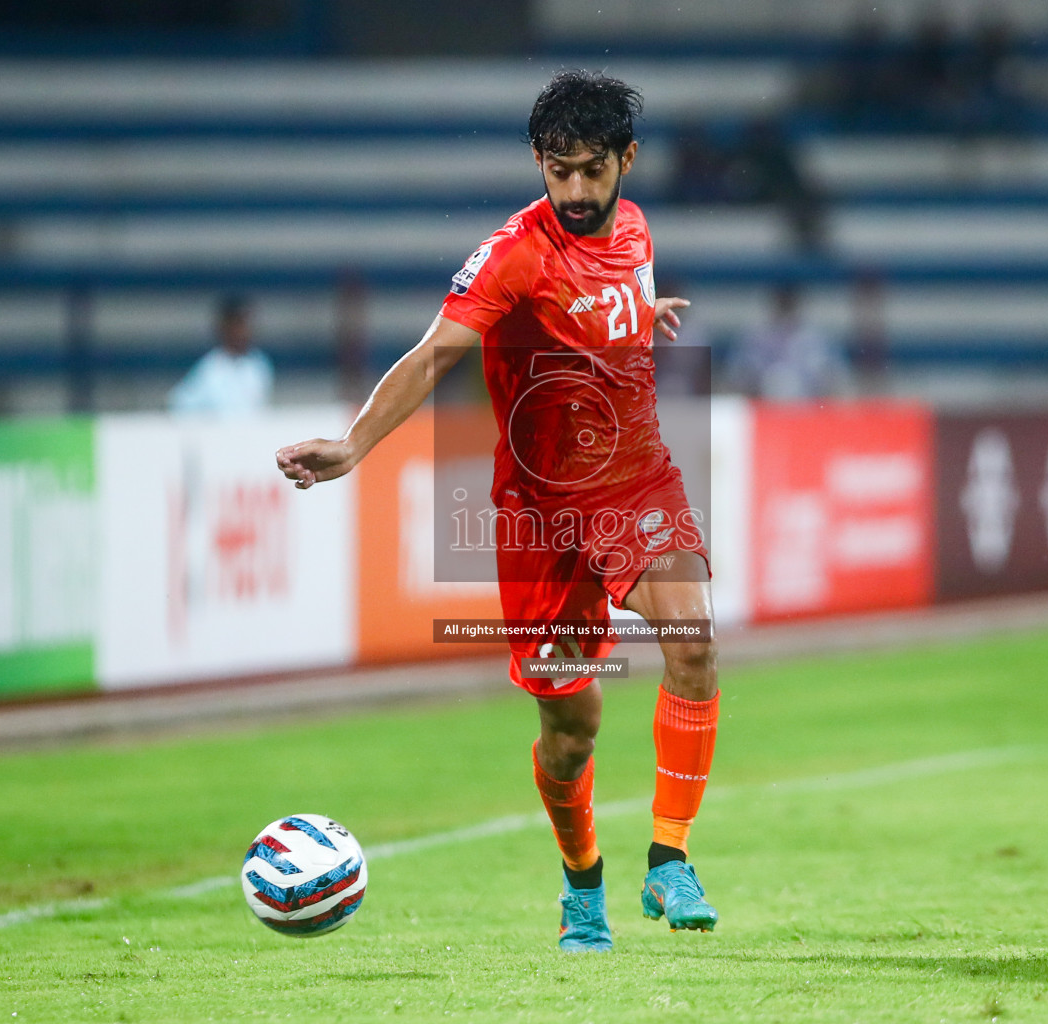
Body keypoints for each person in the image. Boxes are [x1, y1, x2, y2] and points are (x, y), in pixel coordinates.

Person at [275, 70, 721, 953]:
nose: (578, 192)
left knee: (695, 641)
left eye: (594, 171)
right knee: (572, 723)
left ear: (627, 162)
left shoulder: (634, 229)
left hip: (635, 483)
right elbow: (437, 352)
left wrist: (639, 314)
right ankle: (581, 885)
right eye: (560, 173)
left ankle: (669, 859)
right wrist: (356, 445)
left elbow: (603, 304)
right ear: (539, 164)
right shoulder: (515, 252)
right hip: (541, 517)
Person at [168, 295, 273, 415]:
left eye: (246, 325)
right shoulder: (210, 369)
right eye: (238, 325)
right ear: (224, 328)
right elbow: (180, 405)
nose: (243, 331)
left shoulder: (259, 364)